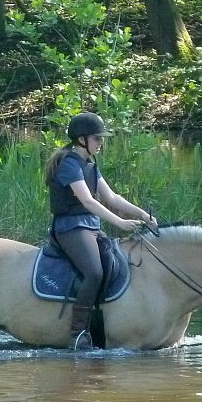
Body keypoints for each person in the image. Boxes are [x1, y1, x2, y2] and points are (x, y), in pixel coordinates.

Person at [43, 112, 158, 350]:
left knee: (116, 264)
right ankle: (77, 334)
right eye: (97, 138)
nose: (101, 142)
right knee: (94, 272)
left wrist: (143, 215)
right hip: (70, 228)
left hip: (90, 228)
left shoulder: (90, 165)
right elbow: (88, 201)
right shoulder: (69, 164)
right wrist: (120, 223)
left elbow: (112, 197)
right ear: (82, 139)